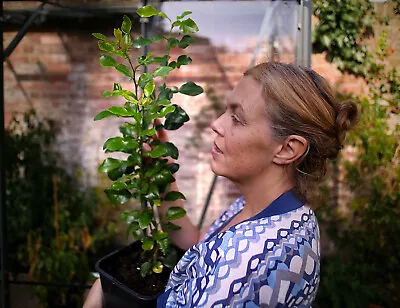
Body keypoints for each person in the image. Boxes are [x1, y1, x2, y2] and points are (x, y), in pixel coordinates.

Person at [84, 62, 358, 307]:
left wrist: (103, 295)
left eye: (237, 118)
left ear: (287, 149)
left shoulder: (247, 268)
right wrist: (164, 172)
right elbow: (199, 247)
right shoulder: (274, 210)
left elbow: (227, 264)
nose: (216, 124)